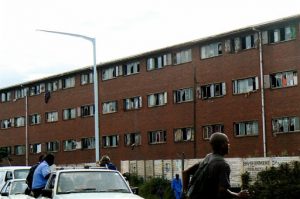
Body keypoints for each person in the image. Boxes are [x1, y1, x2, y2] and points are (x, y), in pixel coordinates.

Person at [187, 132, 249, 199]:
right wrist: (238, 195)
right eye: (227, 142)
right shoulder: (223, 164)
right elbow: (222, 191)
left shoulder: (208, 157)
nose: (229, 145)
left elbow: (186, 172)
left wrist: (185, 193)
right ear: (222, 145)